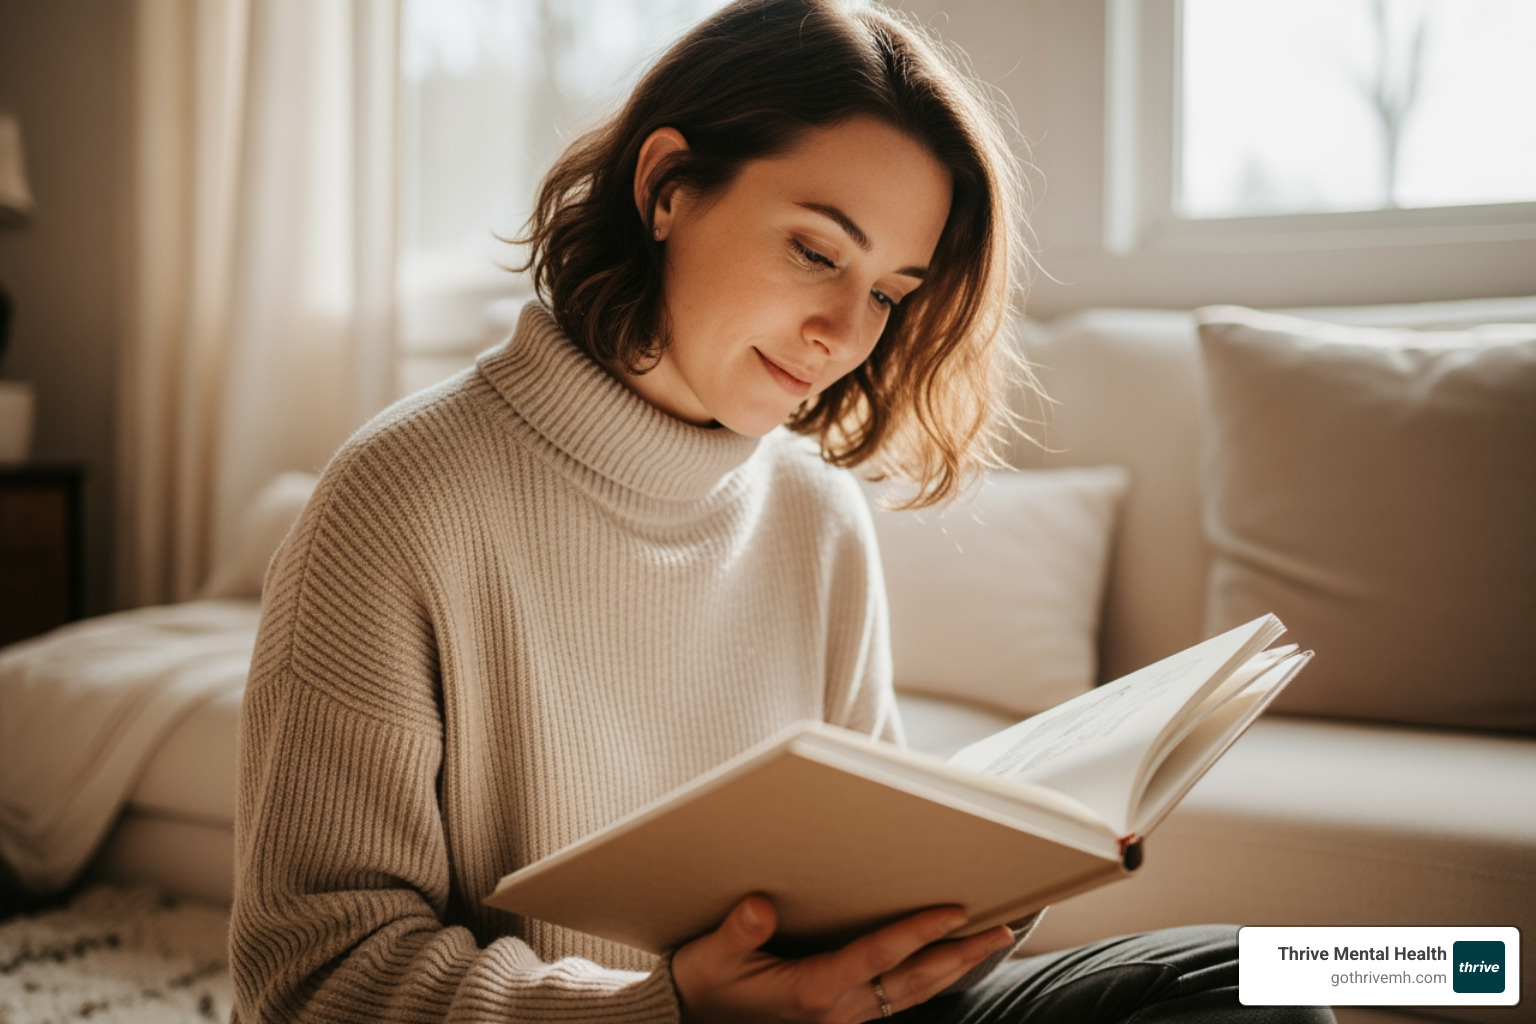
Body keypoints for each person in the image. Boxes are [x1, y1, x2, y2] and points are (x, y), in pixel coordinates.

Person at [230, 2, 1335, 1022]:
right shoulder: (396, 501)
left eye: (890, 294)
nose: (847, 336)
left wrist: (996, 877)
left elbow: (858, 874)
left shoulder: (815, 511)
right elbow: (312, 973)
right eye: (816, 251)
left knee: (1258, 980)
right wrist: (664, 1009)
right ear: (667, 186)